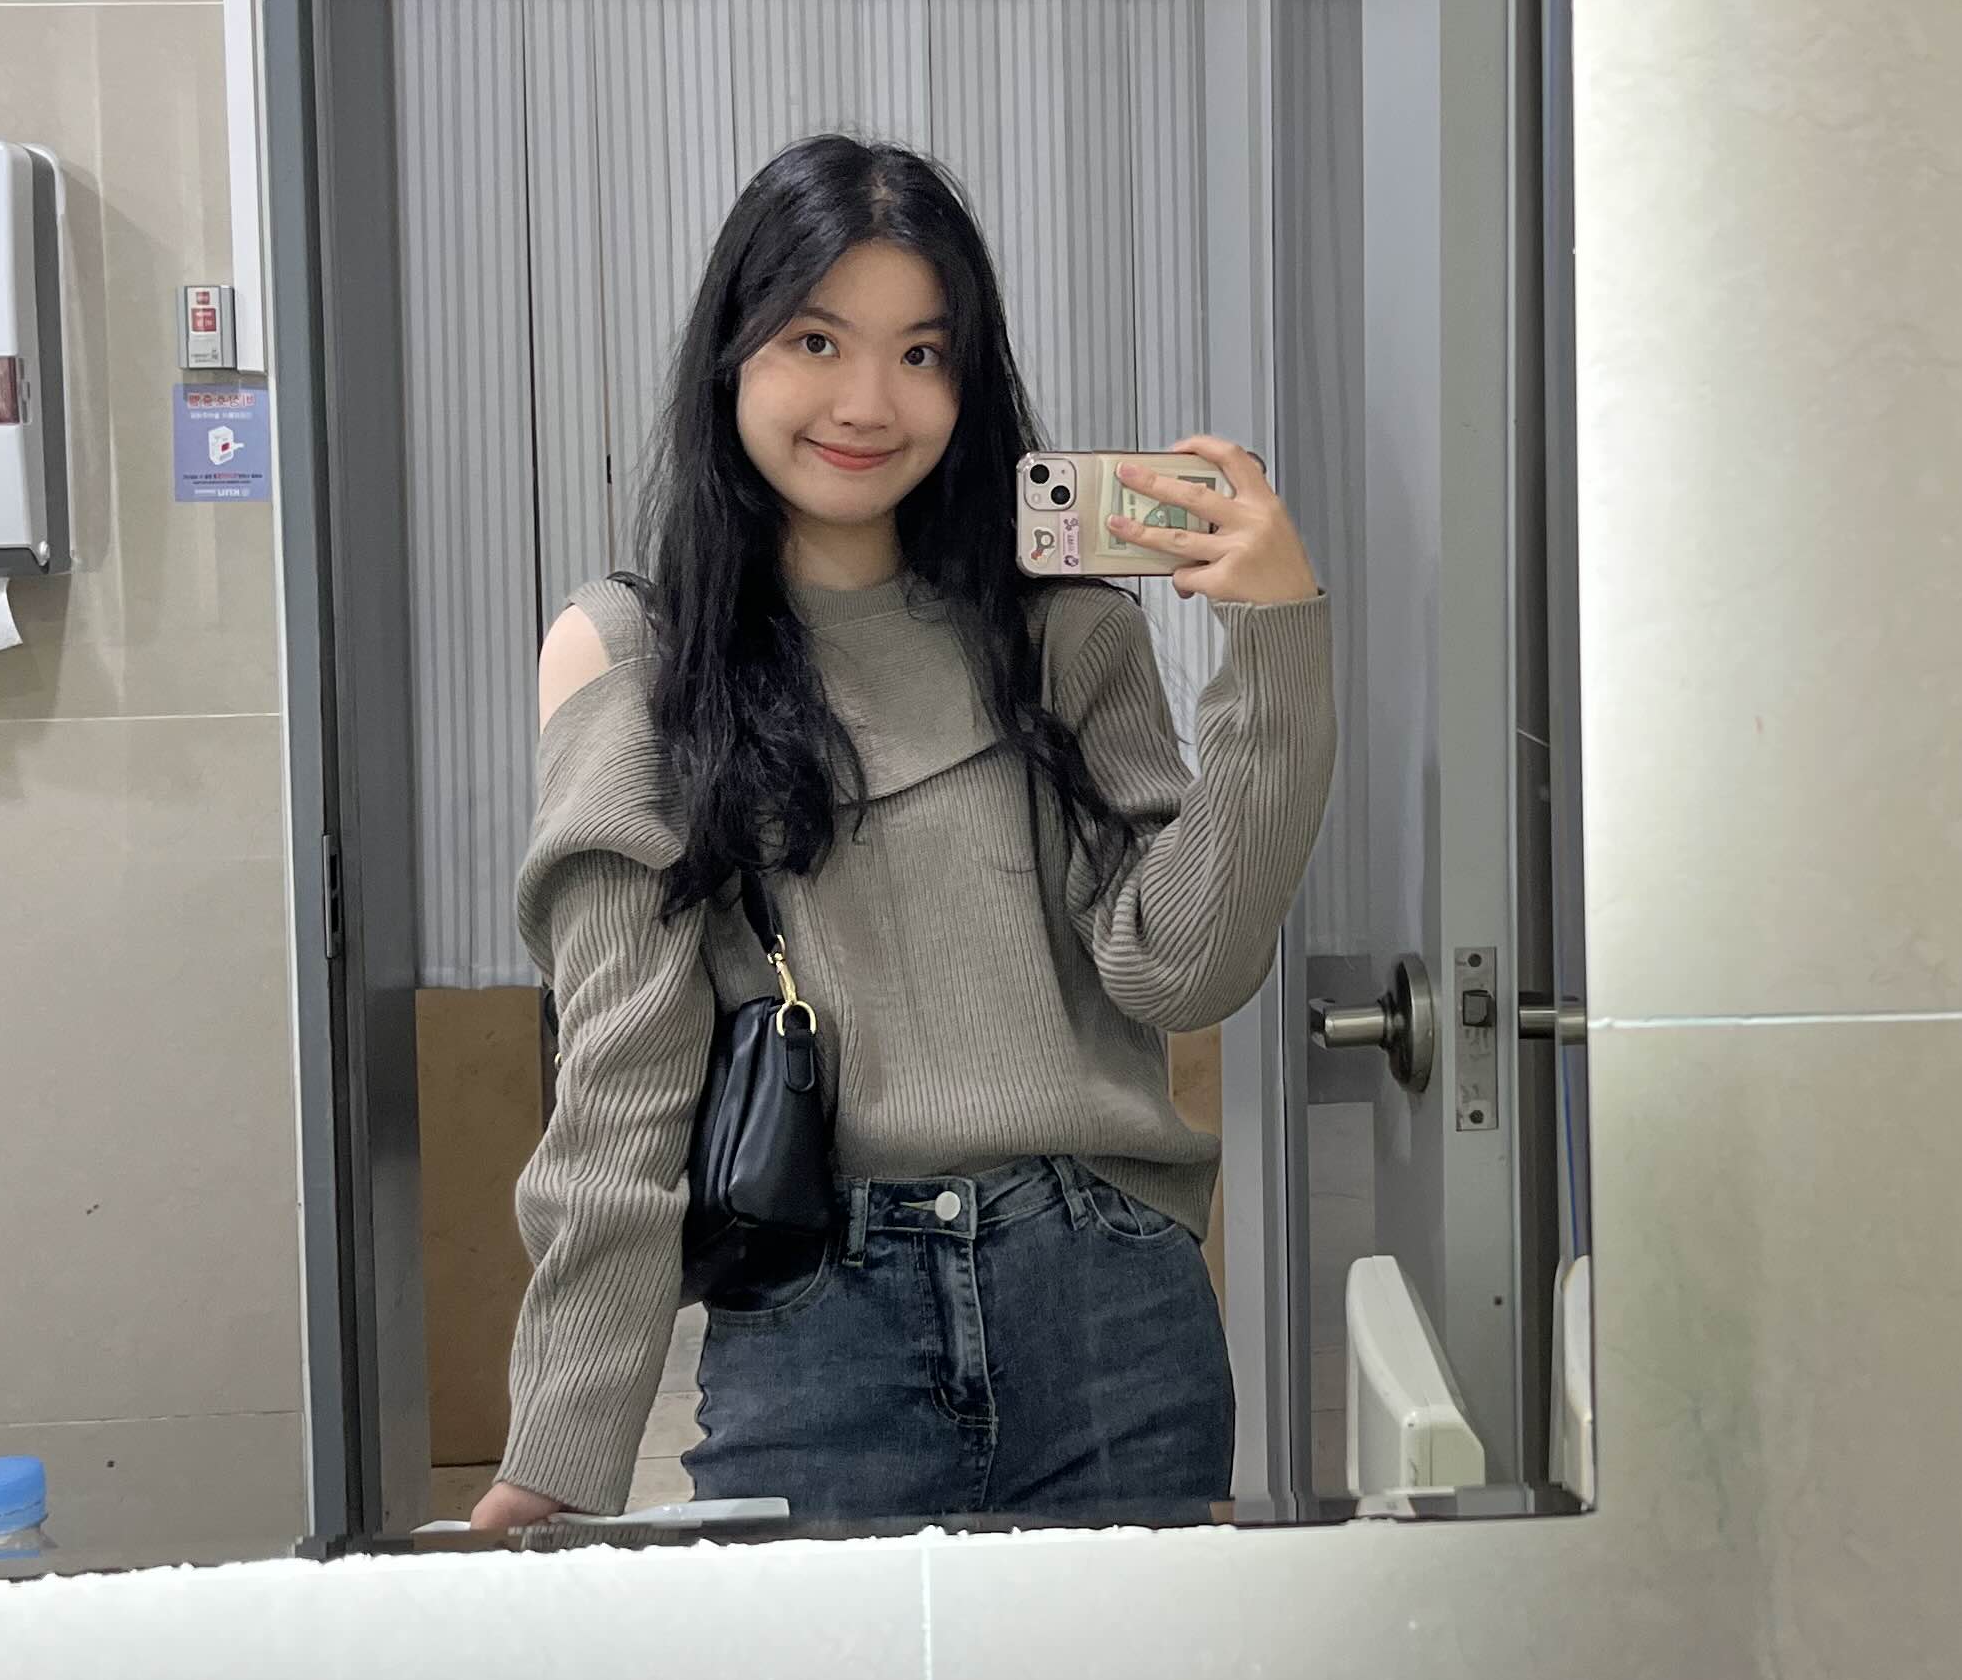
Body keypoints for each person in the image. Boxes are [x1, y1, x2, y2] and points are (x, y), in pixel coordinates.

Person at [469, 135, 1333, 1531]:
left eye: (923, 353)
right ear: (733, 355)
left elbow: (1182, 969)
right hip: (819, 1318)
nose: (869, 402)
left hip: (1108, 1305)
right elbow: (626, 1075)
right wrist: (558, 1449)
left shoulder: (1065, 632)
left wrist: (1273, 646)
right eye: (816, 340)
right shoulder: (633, 653)